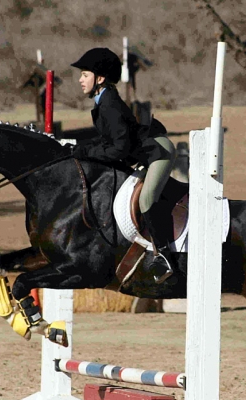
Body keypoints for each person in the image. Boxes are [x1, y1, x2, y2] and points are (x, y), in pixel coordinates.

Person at [69, 47, 177, 284]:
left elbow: (119, 149)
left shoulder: (109, 103)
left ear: (100, 78)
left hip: (158, 153)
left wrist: (84, 152)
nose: (80, 80)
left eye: (84, 74)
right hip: (144, 155)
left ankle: (164, 257)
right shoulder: (103, 101)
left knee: (146, 200)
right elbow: (108, 142)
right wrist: (80, 148)